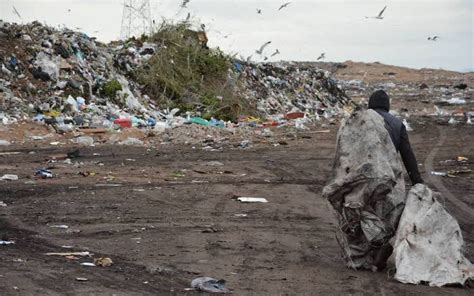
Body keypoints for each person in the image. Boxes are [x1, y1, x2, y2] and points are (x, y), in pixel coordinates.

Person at [368, 90, 423, 185]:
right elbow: (407, 155)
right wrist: (417, 181)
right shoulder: (397, 124)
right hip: (387, 175)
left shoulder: (358, 120)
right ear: (387, 105)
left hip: (362, 174)